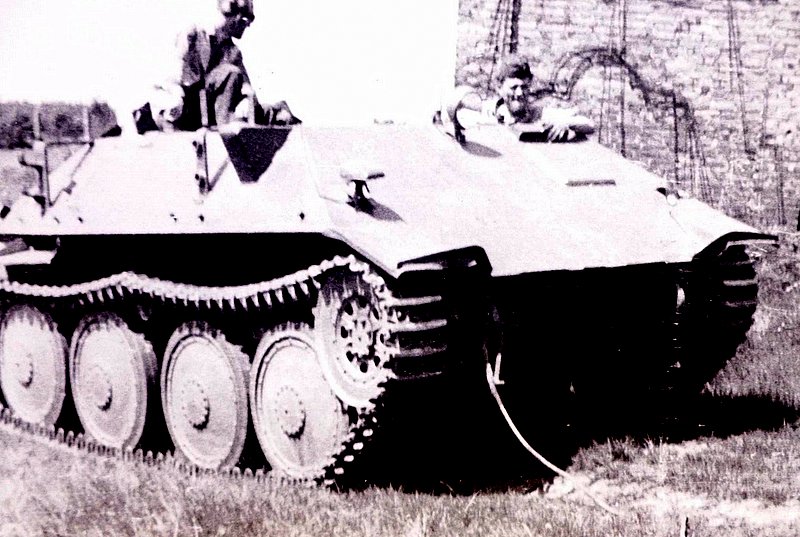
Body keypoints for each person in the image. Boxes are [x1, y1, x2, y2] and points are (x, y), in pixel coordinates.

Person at [134, 0, 296, 133]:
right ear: (237, 17)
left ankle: (267, 117)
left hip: (208, 113)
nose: (248, 26)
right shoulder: (192, 35)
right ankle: (225, 136)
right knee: (230, 73)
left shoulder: (232, 51)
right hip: (178, 109)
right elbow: (172, 78)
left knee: (263, 111)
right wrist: (175, 99)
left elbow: (247, 89)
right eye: (247, 20)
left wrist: (247, 101)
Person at [447, 55, 594, 142]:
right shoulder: (487, 111)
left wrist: (565, 122)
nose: (519, 93)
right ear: (499, 87)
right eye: (513, 87)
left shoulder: (539, 114)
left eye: (524, 87)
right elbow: (453, 113)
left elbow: (589, 124)